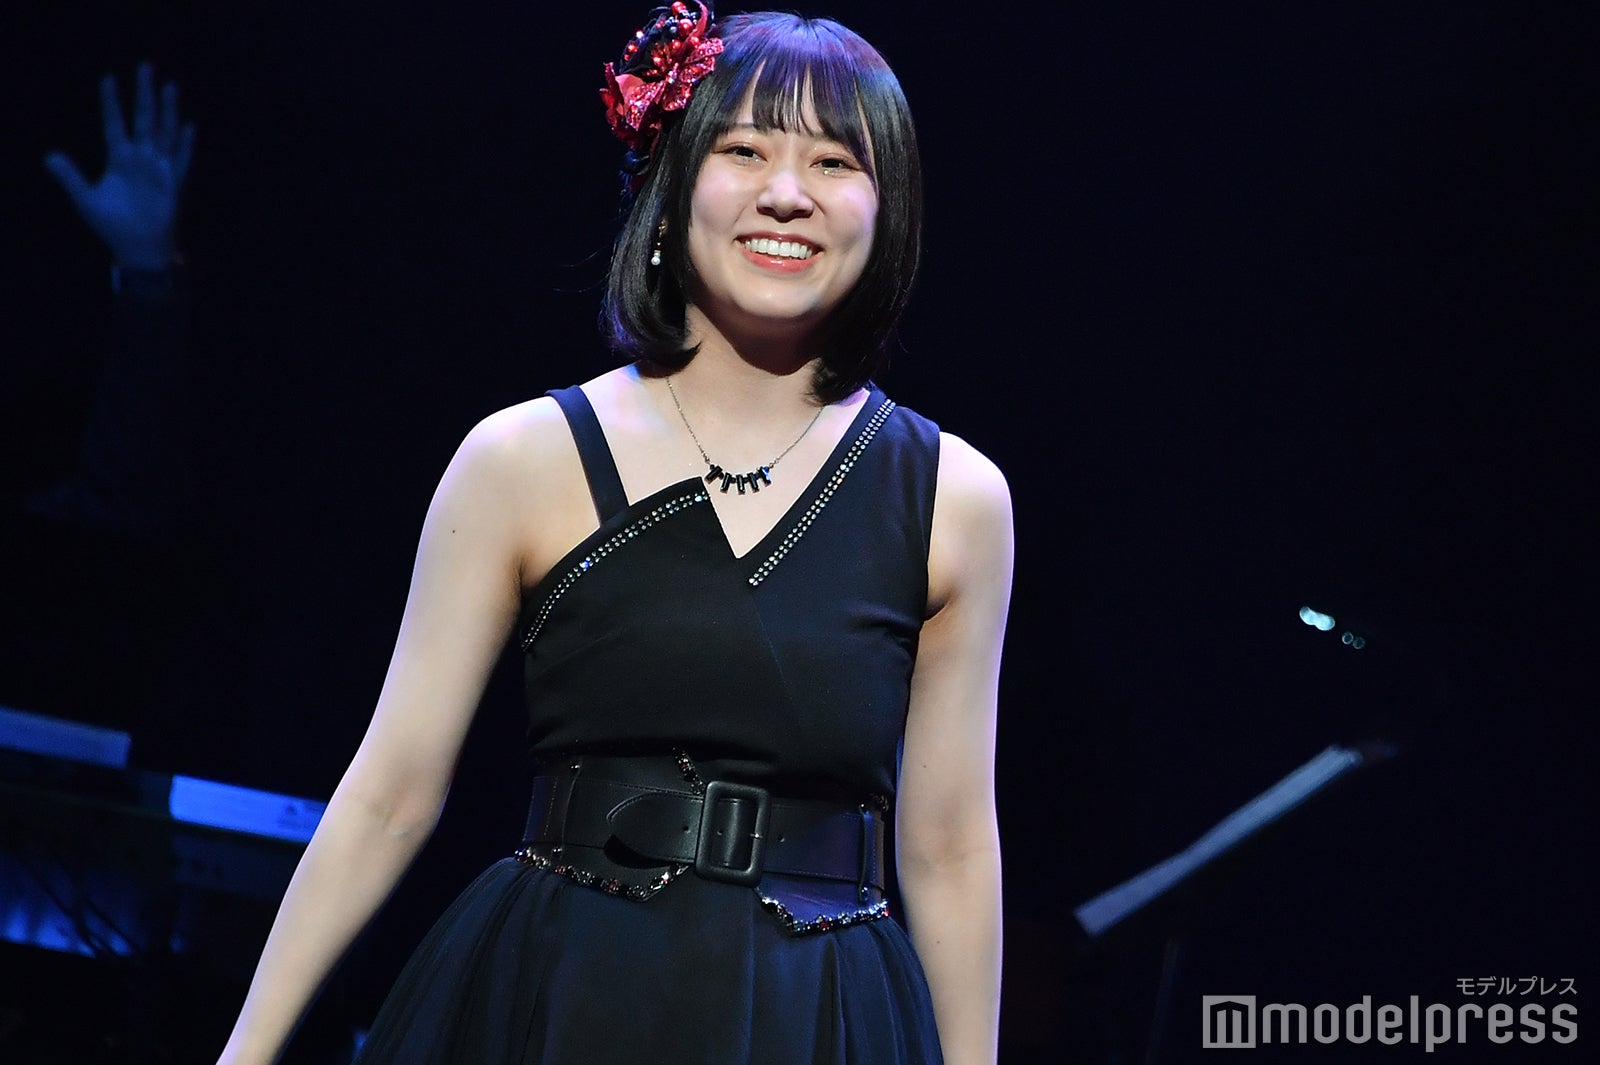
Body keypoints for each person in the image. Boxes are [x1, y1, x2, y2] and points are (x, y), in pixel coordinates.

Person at [216, 5, 1011, 1064]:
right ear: (672, 185)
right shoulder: (521, 458)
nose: (787, 192)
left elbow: (951, 847)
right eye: (744, 150)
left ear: (889, 209)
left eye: (834, 161)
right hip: (562, 988)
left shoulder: (953, 497)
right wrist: (246, 1051)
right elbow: (389, 793)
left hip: (815, 1012)